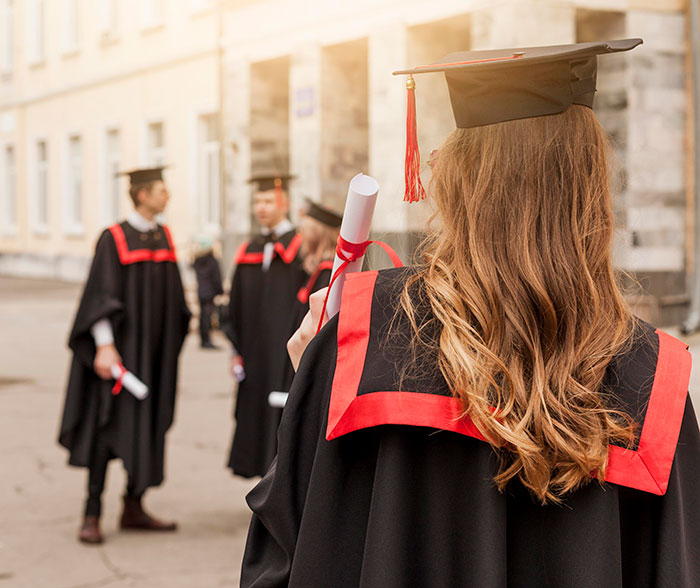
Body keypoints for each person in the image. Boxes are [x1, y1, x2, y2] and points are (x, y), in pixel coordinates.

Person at [240, 40, 700, 587]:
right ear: (591, 188)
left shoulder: (371, 333)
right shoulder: (652, 371)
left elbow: (294, 547)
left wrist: (313, 376)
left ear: (458, 178)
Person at [59, 167, 191, 545]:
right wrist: (104, 345)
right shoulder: (113, 238)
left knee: (149, 423)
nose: (168, 196)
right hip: (121, 352)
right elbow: (100, 295)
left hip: (155, 353)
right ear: (143, 194)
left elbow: (175, 298)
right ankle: (92, 512)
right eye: (162, 190)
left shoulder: (162, 236)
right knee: (107, 426)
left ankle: (134, 504)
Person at [225, 173, 307, 478]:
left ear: (283, 202)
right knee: (256, 417)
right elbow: (234, 305)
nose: (261, 207)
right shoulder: (249, 249)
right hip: (254, 354)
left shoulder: (300, 248)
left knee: (283, 419)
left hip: (285, 354)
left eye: (268, 201)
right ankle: (262, 484)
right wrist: (235, 349)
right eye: (257, 201)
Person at [294, 199, 342, 315]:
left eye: (303, 231)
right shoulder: (318, 267)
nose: (300, 236)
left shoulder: (327, 272)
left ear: (315, 236)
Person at [192, 235, 224, 349]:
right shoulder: (212, 260)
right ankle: (207, 341)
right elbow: (216, 277)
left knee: (203, 316)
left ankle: (203, 339)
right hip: (210, 292)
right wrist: (220, 291)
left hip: (201, 291)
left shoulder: (197, 261)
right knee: (207, 317)